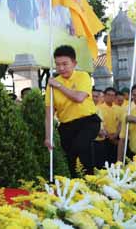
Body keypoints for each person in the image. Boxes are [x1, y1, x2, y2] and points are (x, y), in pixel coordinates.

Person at [44, 45, 101, 175]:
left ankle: (90, 183)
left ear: (74, 63)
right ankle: (77, 187)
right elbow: (49, 113)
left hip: (88, 122)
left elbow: (79, 97)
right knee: (71, 159)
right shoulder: (51, 84)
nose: (61, 68)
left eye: (65, 64)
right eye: (58, 65)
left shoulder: (83, 76)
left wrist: (59, 86)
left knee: (80, 148)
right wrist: (48, 137)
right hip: (66, 126)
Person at [94, 87, 121, 168]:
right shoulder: (98, 108)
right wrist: (109, 136)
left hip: (116, 139)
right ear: (104, 96)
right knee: (104, 162)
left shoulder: (119, 109)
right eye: (108, 95)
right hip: (104, 139)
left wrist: (115, 135)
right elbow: (102, 124)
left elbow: (121, 123)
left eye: (113, 95)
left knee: (115, 161)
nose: (110, 97)